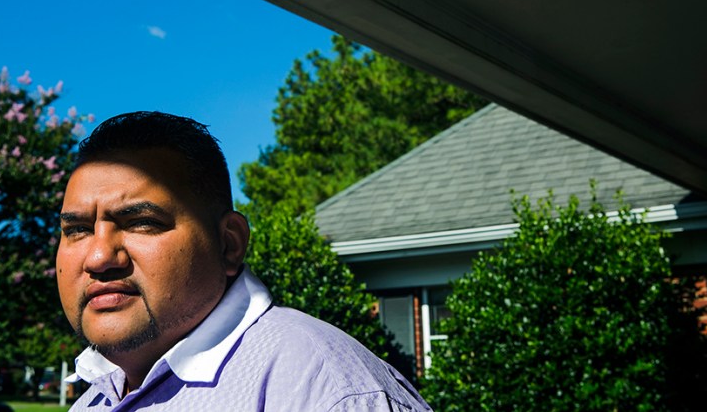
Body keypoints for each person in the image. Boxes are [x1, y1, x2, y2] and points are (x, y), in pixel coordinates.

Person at [57, 111, 431, 411]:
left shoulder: (324, 392)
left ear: (229, 244)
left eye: (141, 222)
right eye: (77, 229)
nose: (99, 257)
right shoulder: (94, 399)